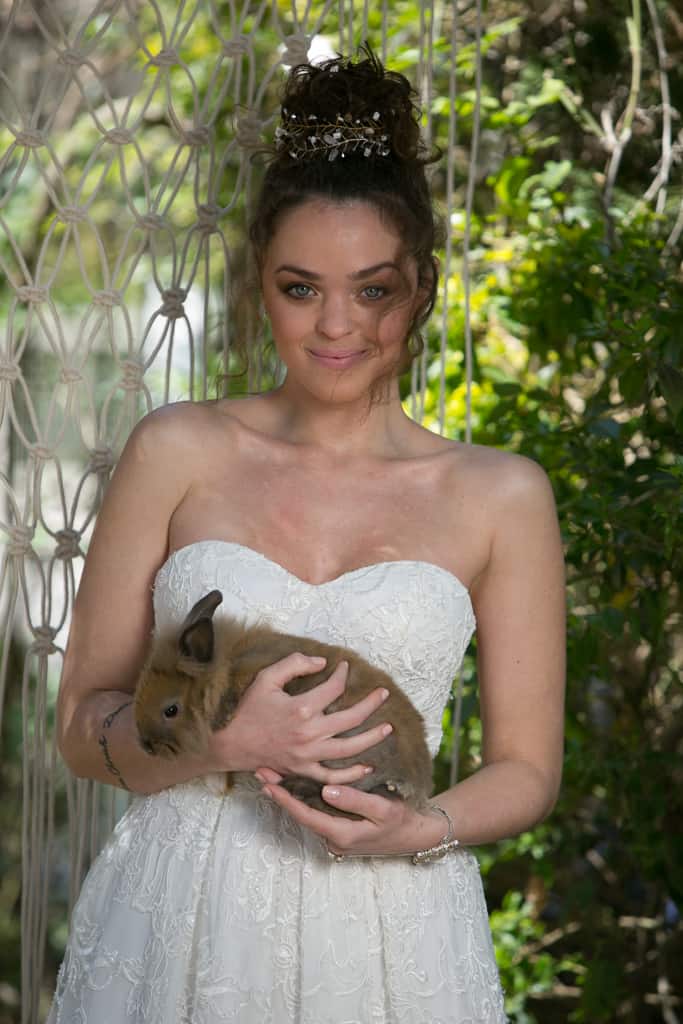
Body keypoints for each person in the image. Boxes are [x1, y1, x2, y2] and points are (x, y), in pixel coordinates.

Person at [48, 48, 565, 1024]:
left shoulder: (501, 495)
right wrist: (219, 744)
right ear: (260, 286)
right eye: (299, 288)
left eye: (371, 290)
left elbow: (527, 770)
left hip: (389, 923)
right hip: (181, 915)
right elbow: (81, 724)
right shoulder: (175, 450)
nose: (335, 325)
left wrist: (420, 827)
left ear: (421, 288)